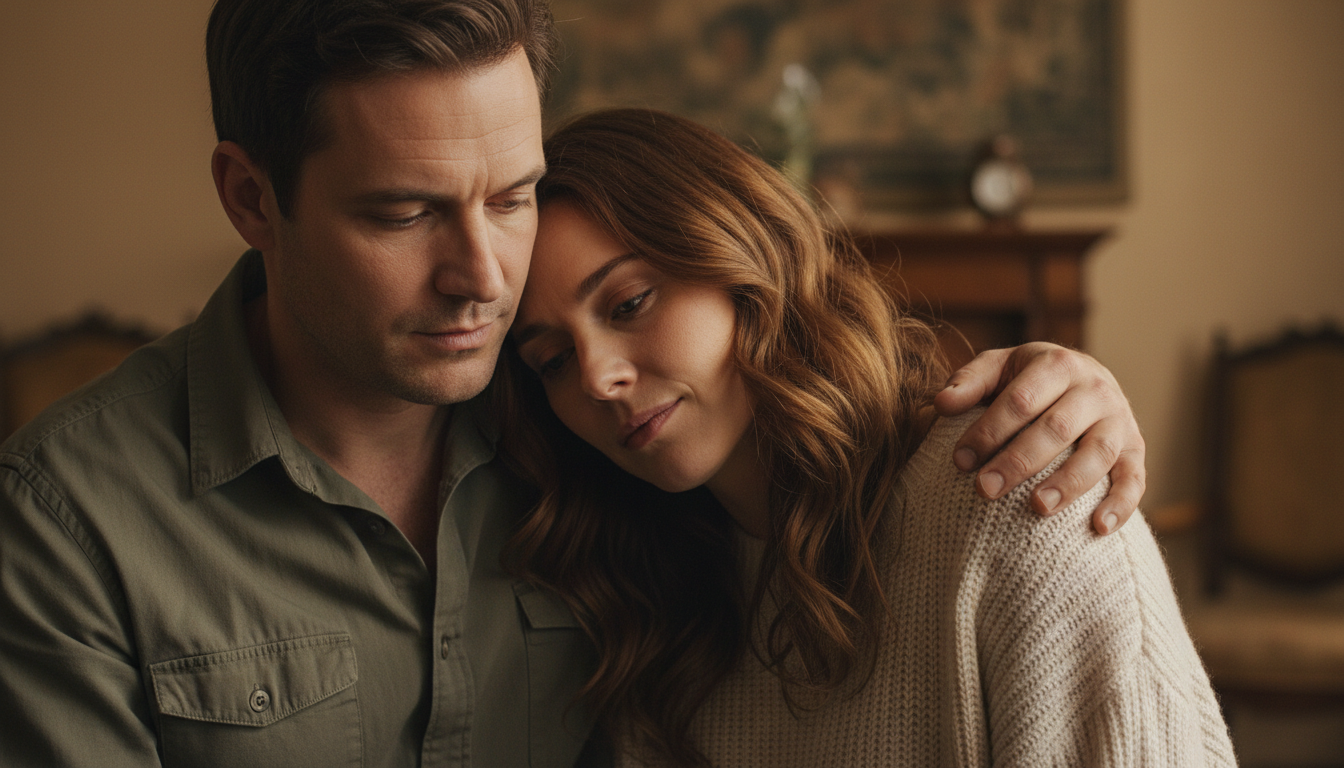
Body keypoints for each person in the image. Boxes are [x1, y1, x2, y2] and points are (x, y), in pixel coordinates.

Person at [0, 1, 1147, 766]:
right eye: (403, 213)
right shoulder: (67, 519)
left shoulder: (600, 446)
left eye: (513, 197)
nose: (482, 281)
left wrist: (1070, 387)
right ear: (252, 200)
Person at [500, 108, 1235, 766]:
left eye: (629, 301)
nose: (596, 379)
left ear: (745, 259)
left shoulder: (1022, 493)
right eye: (553, 360)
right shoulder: (642, 604)